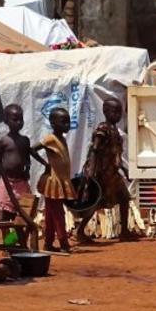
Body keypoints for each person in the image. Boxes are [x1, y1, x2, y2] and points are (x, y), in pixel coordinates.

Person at [77, 98, 136, 242]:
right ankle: (79, 231)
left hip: (112, 174)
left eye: (119, 112)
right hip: (101, 174)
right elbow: (95, 148)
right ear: (105, 111)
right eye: (114, 111)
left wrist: (123, 169)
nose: (117, 115)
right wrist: (91, 171)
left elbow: (115, 155)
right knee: (95, 203)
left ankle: (124, 231)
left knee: (124, 198)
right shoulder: (103, 128)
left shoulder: (115, 130)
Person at [31, 107, 76, 252]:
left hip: (60, 180)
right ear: (53, 123)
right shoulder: (51, 139)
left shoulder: (62, 138)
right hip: (53, 181)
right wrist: (45, 164)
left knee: (51, 214)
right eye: (63, 122)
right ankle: (63, 243)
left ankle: (48, 243)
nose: (67, 125)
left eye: (68, 122)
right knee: (58, 214)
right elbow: (32, 149)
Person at [0, 104, 32, 224]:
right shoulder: (3, 141)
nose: (19, 122)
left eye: (21, 119)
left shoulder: (25, 140)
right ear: (6, 121)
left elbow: (27, 158)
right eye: (15, 119)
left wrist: (27, 170)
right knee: (5, 213)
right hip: (6, 182)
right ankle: (6, 240)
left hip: (21, 181)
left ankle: (16, 239)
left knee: (22, 213)